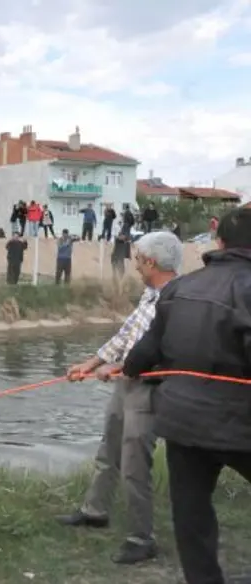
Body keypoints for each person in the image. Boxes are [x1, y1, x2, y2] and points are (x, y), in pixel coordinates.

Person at [121, 208, 251, 584]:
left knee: (191, 513)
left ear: (219, 242)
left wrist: (127, 367)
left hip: (183, 424)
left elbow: (143, 356)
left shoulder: (179, 288)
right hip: (241, 423)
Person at [56, 231, 183, 565]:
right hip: (124, 382)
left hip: (149, 388)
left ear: (152, 262)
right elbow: (127, 333)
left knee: (134, 462)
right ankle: (94, 511)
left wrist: (120, 368)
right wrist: (93, 363)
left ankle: (142, 538)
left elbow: (166, 351)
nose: (136, 265)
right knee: (108, 447)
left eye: (139, 259)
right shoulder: (149, 294)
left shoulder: (178, 300)